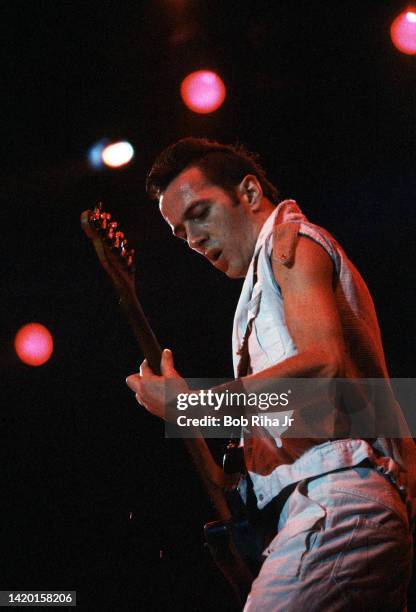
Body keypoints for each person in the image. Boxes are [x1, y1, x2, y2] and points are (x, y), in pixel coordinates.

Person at [126, 138, 415, 611]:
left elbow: (323, 368)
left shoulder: (294, 243)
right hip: (343, 510)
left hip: (338, 509)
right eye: (181, 233)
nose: (194, 239)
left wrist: (193, 406)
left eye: (200, 213)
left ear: (250, 192)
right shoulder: (266, 285)